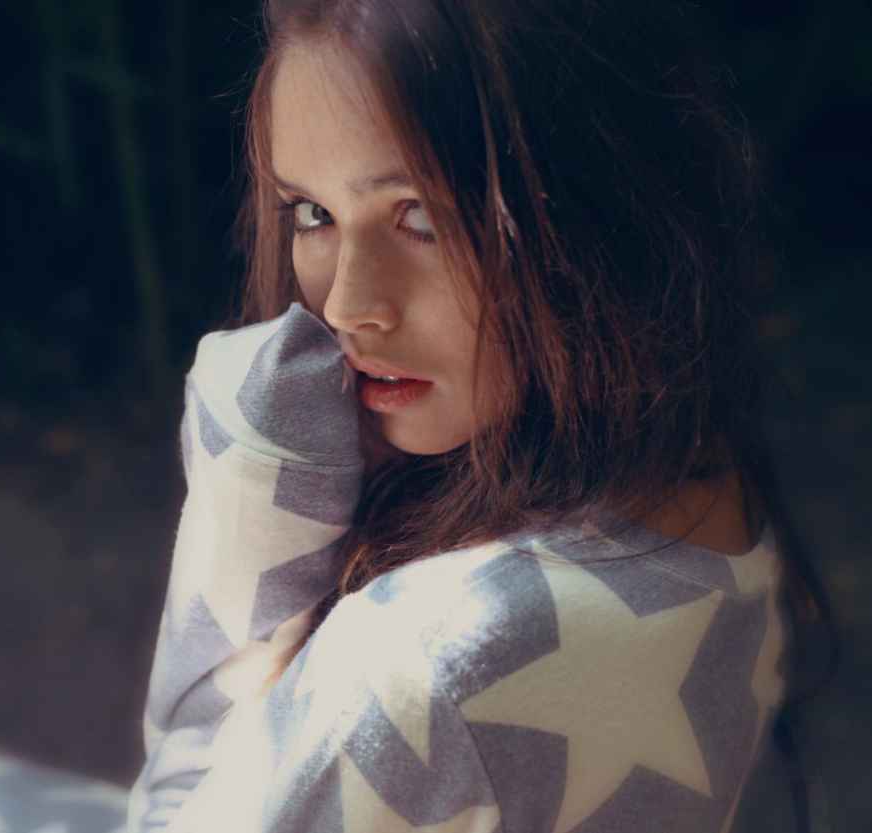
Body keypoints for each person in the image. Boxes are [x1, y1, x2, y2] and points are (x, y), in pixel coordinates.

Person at [126, 2, 840, 832]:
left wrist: (246, 499)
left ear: (600, 213)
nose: (348, 305)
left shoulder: (428, 663)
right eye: (312, 214)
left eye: (420, 218)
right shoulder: (699, 484)